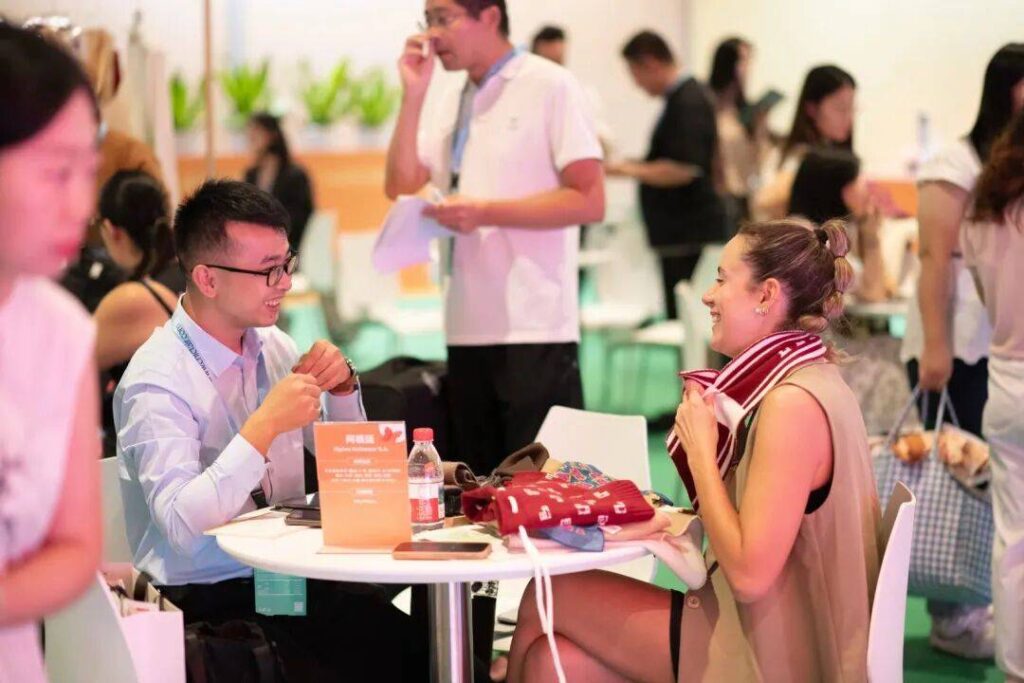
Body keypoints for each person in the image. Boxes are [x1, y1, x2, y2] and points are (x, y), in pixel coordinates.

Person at [507, 218, 880, 681]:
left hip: (771, 654)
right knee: (550, 664)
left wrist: (701, 451)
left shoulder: (791, 405)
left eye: (722, 279)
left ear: (766, 296)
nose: (707, 295)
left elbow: (748, 577)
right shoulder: (813, 376)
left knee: (545, 596)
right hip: (772, 633)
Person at [113, 180, 419, 680]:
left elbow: (354, 479)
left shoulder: (273, 345)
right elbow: (182, 528)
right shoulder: (157, 380)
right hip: (209, 602)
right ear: (207, 279)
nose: (285, 283)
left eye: (286, 263)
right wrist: (265, 425)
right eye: (267, 270)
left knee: (424, 651)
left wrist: (343, 390)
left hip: (289, 578)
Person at [385, 0, 605, 474]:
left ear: (489, 16)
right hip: (465, 323)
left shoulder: (550, 85)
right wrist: (413, 94)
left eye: (443, 18)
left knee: (543, 489)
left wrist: (484, 212)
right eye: (428, 20)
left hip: (536, 325)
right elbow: (400, 183)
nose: (432, 33)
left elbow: (590, 199)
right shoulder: (450, 97)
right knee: (480, 490)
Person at [903, 44, 1024, 659]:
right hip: (951, 343)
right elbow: (934, 262)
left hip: (993, 347)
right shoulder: (954, 164)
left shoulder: (1003, 169)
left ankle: (985, 615)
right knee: (954, 480)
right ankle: (952, 615)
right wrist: (937, 348)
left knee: (992, 492)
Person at [0, 24, 102, 683]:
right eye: (57, 171)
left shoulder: (62, 329)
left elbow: (75, 545)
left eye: (89, 171)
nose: (80, 204)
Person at [964, 109, 1024, 683]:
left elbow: (984, 294)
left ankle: (1015, 667)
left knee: (1014, 537)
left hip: (1005, 377)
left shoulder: (984, 208)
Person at [609, 30, 726, 319]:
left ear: (650, 63)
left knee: (691, 318)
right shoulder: (682, 100)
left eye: (635, 73)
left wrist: (626, 169)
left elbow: (684, 168)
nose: (637, 84)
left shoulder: (688, 102)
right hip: (681, 236)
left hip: (688, 234)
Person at [93, 170, 178, 457]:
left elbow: (64, 374)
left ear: (110, 229)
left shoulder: (133, 299)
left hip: (156, 451)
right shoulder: (190, 271)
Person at [752, 64, 856, 221]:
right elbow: (764, 202)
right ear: (811, 109)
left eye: (852, 108)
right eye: (840, 108)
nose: (849, 118)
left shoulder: (841, 159)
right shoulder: (796, 157)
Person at [788, 148, 891, 302]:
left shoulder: (834, 231)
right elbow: (873, 293)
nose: (868, 193)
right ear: (837, 188)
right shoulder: (811, 240)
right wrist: (872, 239)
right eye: (858, 182)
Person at [708, 37, 771, 229]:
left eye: (749, 61)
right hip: (719, 197)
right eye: (742, 60)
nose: (747, 68)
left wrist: (760, 127)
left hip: (744, 196)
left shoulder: (744, 110)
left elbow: (758, 157)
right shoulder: (708, 105)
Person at [531, 24, 613, 156]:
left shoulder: (583, 94)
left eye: (558, 61)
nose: (554, 69)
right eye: (548, 62)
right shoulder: (521, 97)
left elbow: (604, 142)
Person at [244, 112, 314, 252]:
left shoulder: (295, 175)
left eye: (256, 131)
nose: (250, 137)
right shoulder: (251, 175)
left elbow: (301, 217)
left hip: (289, 245)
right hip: (256, 247)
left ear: (272, 135)